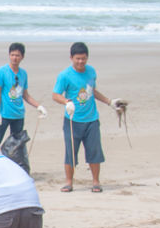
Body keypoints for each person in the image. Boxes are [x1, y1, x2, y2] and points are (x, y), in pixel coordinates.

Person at [51, 41, 128, 193]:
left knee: (94, 152)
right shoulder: (65, 75)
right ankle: (69, 182)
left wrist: (109, 102)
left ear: (87, 58)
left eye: (83, 58)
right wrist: (66, 102)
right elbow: (55, 95)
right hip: (72, 120)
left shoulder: (91, 72)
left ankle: (96, 182)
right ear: (71, 58)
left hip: (92, 119)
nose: (80, 61)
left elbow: (92, 91)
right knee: (71, 153)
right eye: (77, 58)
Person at [0, 42, 48, 150]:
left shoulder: (23, 74)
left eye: (17, 55)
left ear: (22, 57)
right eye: (12, 55)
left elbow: (25, 95)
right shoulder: (1, 71)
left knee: (16, 146)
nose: (14, 58)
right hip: (4, 114)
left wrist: (39, 106)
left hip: (18, 115)